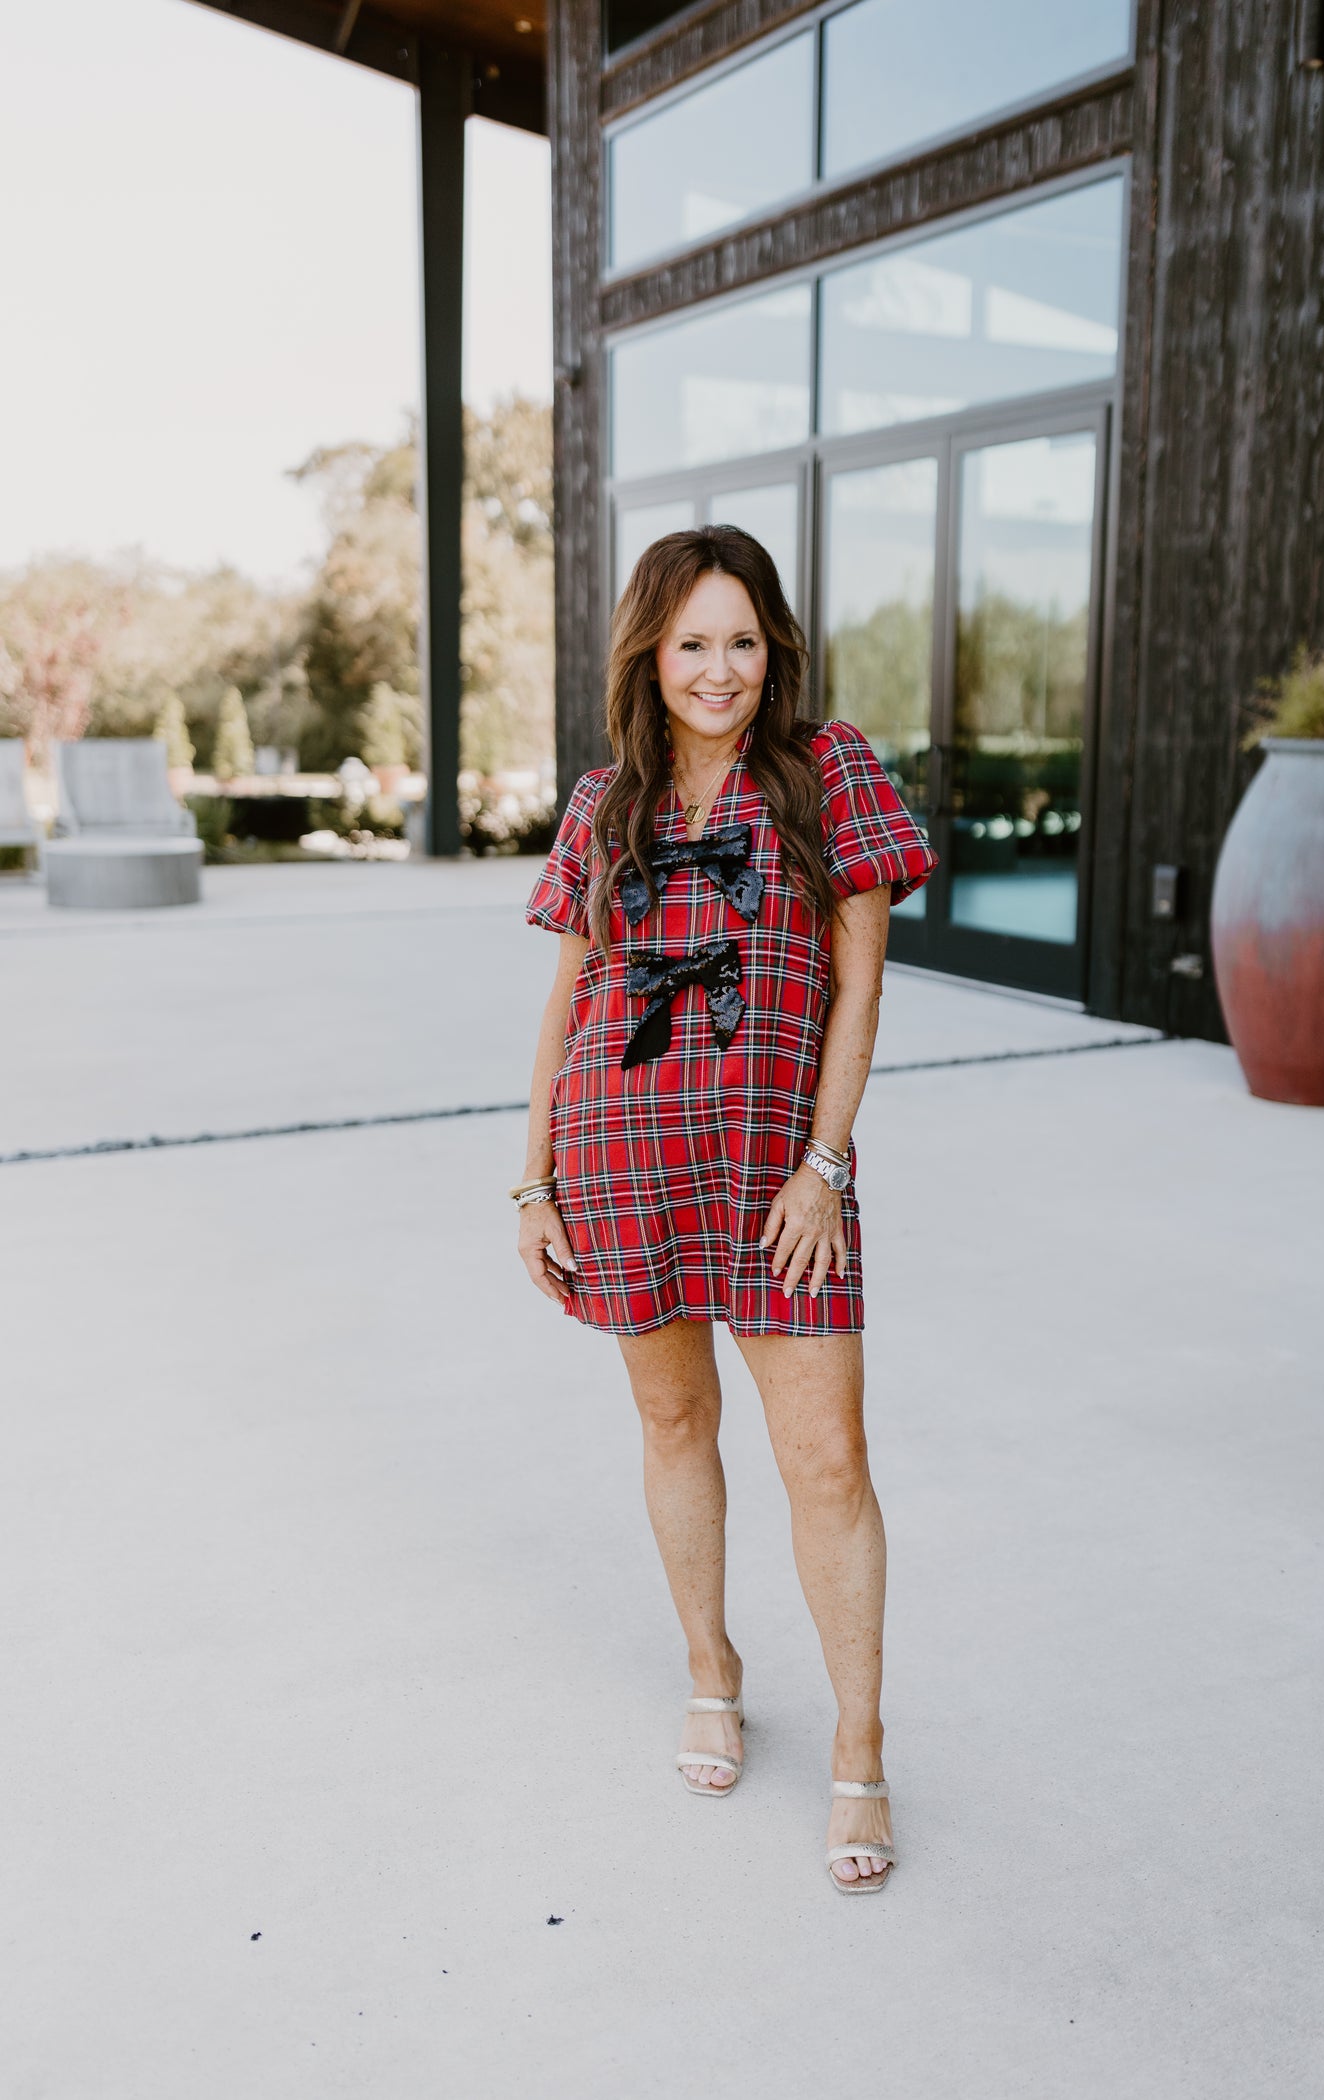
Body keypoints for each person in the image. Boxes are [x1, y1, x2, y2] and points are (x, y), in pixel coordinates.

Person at [515, 525, 934, 1893]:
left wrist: (827, 1161)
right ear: (651, 651)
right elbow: (568, 1003)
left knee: (828, 1464)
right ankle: (712, 1667)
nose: (720, 669)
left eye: (742, 641)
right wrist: (535, 1178)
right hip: (622, 1159)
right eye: (693, 642)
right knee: (673, 1418)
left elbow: (861, 989)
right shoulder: (604, 803)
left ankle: (860, 1750)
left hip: (778, 1181)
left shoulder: (830, 773)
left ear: (777, 650)